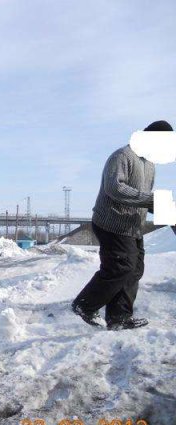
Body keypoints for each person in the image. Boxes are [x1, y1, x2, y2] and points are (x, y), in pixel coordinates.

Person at [72, 120, 173, 330]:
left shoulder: (150, 165)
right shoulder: (123, 156)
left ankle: (119, 317)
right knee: (120, 267)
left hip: (133, 226)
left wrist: (169, 212)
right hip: (112, 222)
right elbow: (115, 188)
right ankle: (85, 305)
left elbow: (144, 199)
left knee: (135, 269)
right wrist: (153, 200)